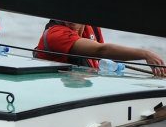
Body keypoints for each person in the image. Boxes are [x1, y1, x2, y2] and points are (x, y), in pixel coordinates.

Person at [34, 20, 165, 77]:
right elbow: (101, 50)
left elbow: (100, 55)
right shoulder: (55, 34)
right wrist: (146, 54)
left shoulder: (92, 28)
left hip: (84, 85)